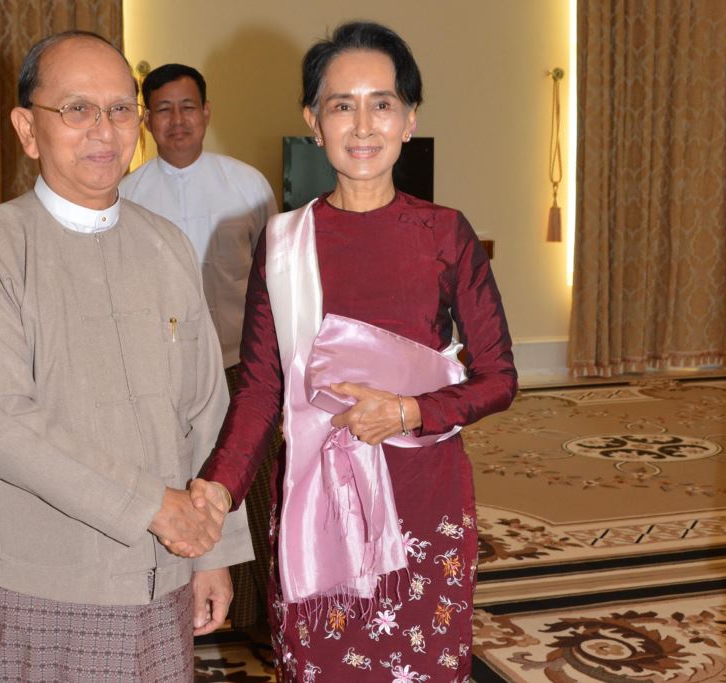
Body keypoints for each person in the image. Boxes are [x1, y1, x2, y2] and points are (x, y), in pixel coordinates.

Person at [195, 21, 517, 682]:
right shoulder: (283, 245)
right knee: (323, 662)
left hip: (424, 499)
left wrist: (407, 411)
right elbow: (259, 389)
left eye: (383, 103)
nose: (363, 124)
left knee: (422, 665)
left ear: (408, 119)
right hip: (318, 505)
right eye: (342, 104)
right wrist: (218, 490)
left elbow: (498, 377)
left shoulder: (444, 233)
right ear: (314, 121)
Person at [0, 31, 253, 682]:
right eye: (76, 109)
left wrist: (214, 549)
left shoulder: (165, 245)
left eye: (119, 108)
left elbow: (204, 408)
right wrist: (153, 506)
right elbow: (2, 422)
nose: (103, 129)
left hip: (164, 574)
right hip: (50, 584)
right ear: (28, 129)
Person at [119, 63, 278, 636]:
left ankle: (261, 621)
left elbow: (273, 279)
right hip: (162, 369)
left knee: (251, 487)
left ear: (207, 113)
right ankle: (174, 611)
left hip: (241, 363)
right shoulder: (128, 192)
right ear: (146, 121)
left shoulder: (247, 184)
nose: (177, 120)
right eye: (163, 109)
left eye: (188, 107)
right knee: (175, 485)